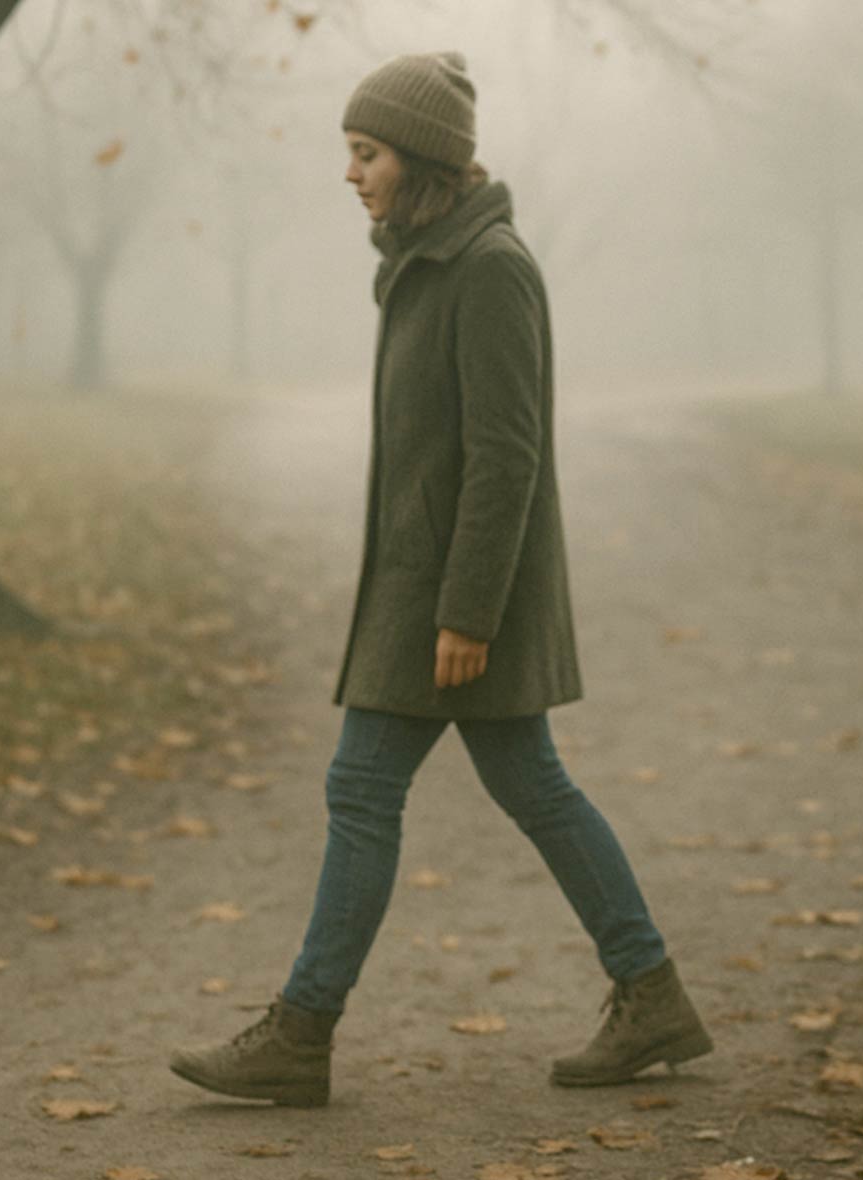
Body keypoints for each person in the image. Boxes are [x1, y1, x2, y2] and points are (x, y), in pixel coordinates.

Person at [169, 51, 710, 1107]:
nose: (350, 173)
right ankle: (650, 992)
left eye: (363, 153)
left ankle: (302, 1030)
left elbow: (505, 455)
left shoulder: (489, 267)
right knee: (529, 786)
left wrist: (468, 610)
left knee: (365, 788)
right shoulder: (431, 258)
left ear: (417, 159)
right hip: (431, 590)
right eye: (349, 152)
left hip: (456, 599)